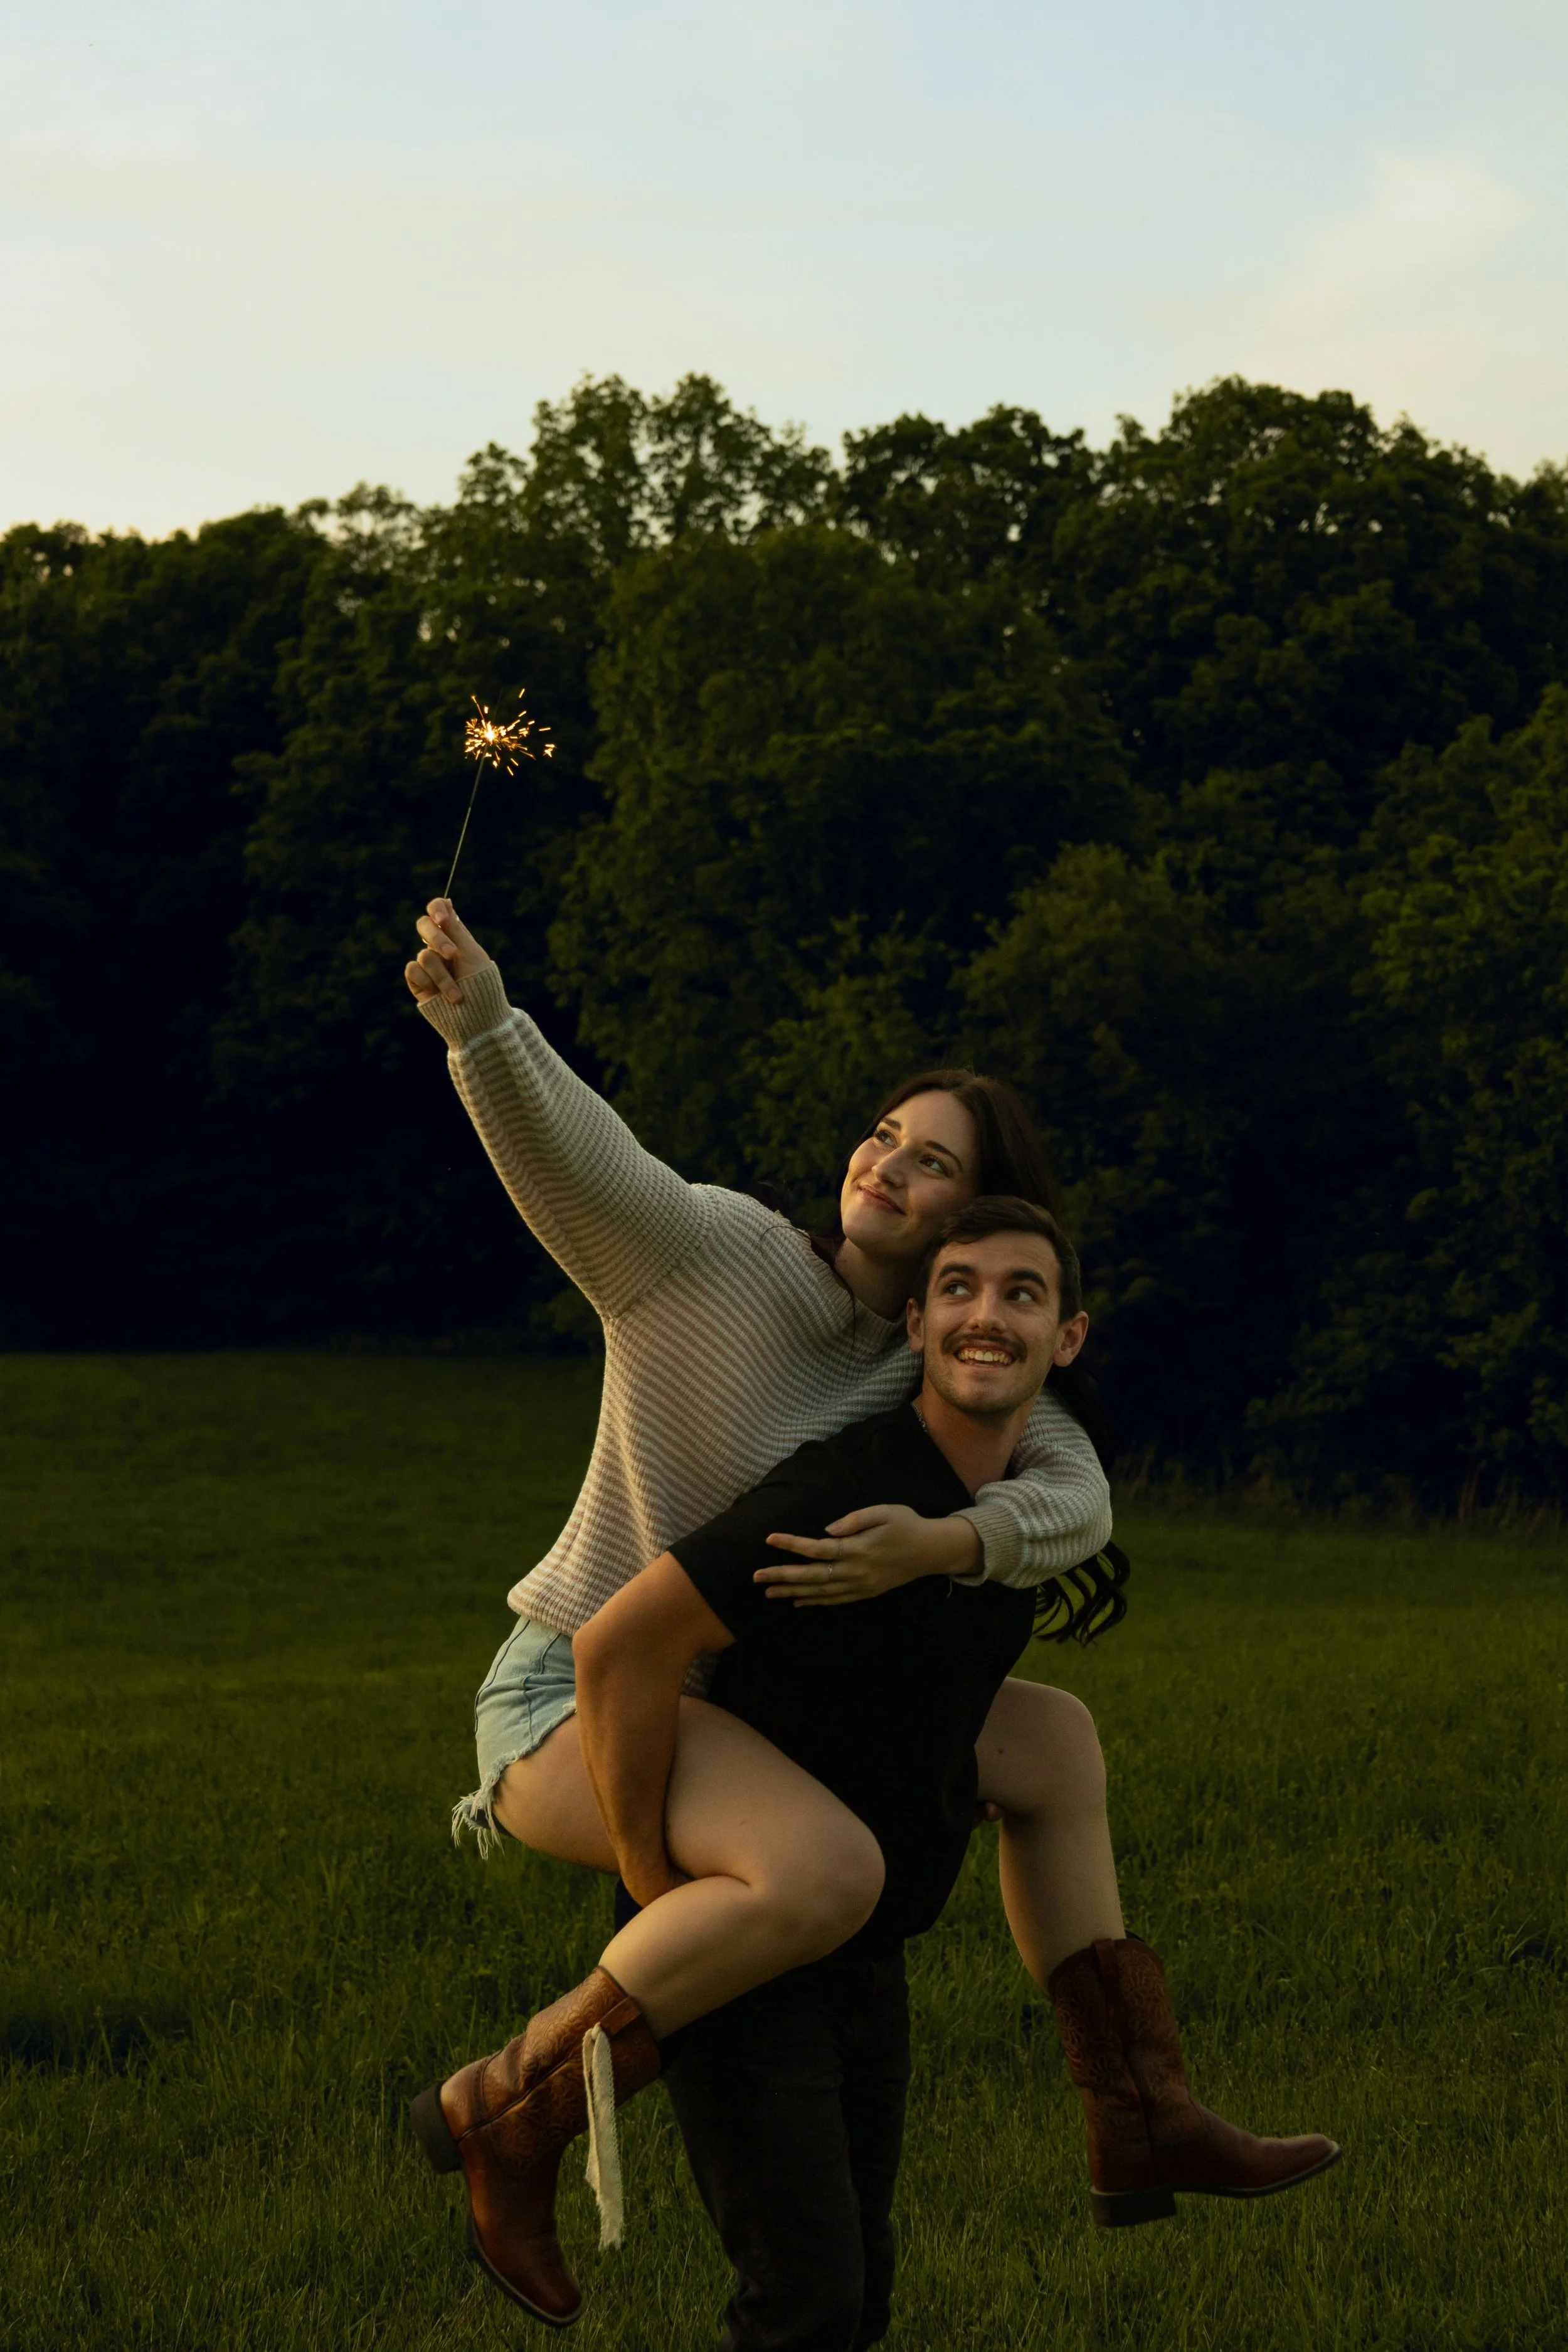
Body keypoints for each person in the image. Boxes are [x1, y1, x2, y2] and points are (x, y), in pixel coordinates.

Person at [398, 899, 1269, 2206]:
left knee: (1052, 1742)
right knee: (827, 1872)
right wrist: (484, 1026)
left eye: (933, 1162)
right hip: (573, 1692)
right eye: (883, 1135)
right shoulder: (717, 1252)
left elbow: (1076, 1495)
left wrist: (945, 1541)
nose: (886, 1165)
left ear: (977, 1217)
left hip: (741, 1704)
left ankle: (1140, 2112)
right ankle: (506, 2107)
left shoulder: (938, 1354)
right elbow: (589, 1158)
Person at [410, 1200, 1339, 2338]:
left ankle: (1141, 2110)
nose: (986, 1315)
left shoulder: (1009, 1510)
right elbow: (619, 1643)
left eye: (1021, 1293)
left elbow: (977, 1632)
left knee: (858, 2299)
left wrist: (946, 1570)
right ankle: (507, 2111)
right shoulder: (843, 1492)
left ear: (1069, 1337)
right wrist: (652, 1875)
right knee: (807, 2303)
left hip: (861, 1950)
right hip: (751, 1951)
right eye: (959, 1288)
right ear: (914, 1324)